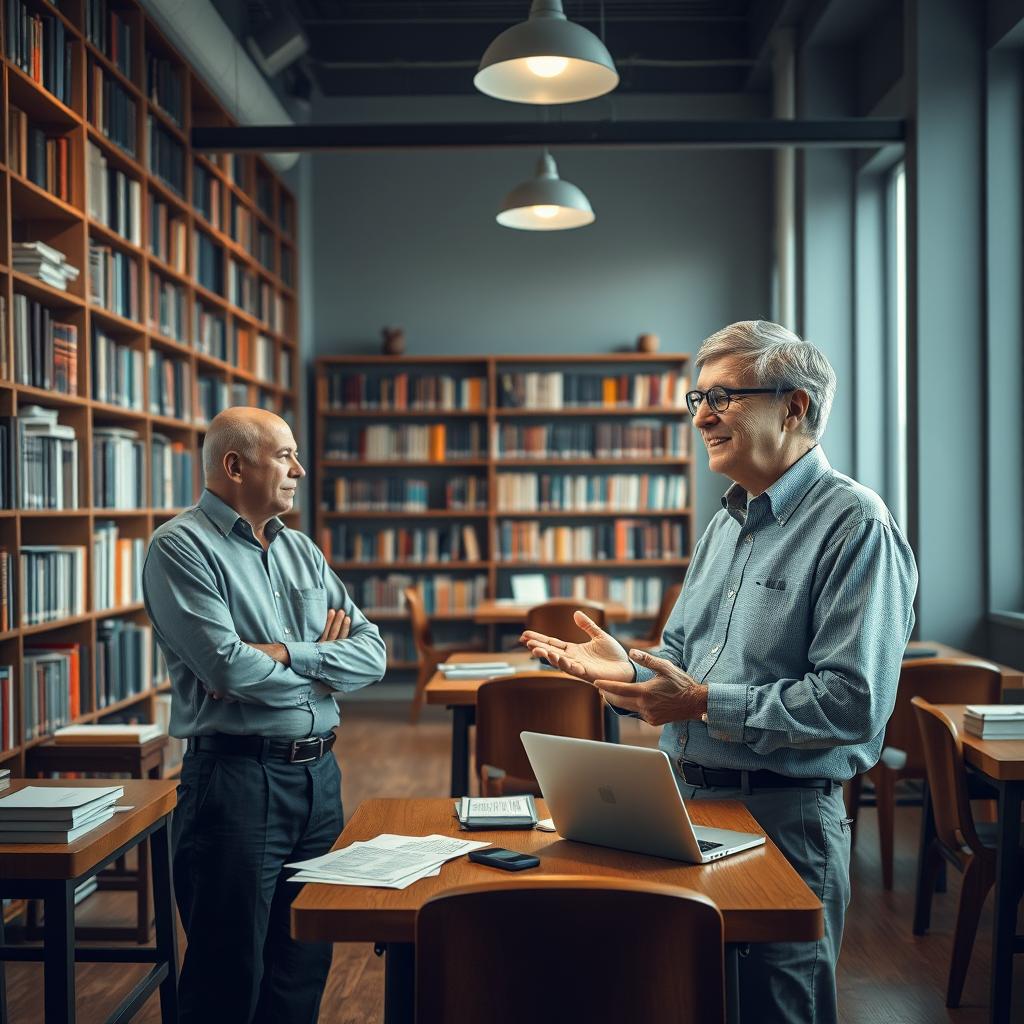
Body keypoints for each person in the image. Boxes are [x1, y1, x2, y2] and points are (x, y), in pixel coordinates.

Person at [523, 321, 917, 1024]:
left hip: (785, 816)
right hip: (680, 806)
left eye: (724, 397)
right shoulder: (724, 523)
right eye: (696, 398)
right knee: (676, 999)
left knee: (776, 1008)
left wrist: (701, 703)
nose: (701, 416)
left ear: (794, 407)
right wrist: (626, 673)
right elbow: (679, 663)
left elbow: (852, 704)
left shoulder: (856, 525)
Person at [143, 407, 387, 1024]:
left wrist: (284, 655)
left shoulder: (301, 551)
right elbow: (226, 669)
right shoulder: (180, 547)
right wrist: (323, 663)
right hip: (235, 785)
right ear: (234, 465)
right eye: (285, 456)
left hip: (319, 781)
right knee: (228, 977)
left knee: (301, 969)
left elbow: (374, 655)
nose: (299, 471)